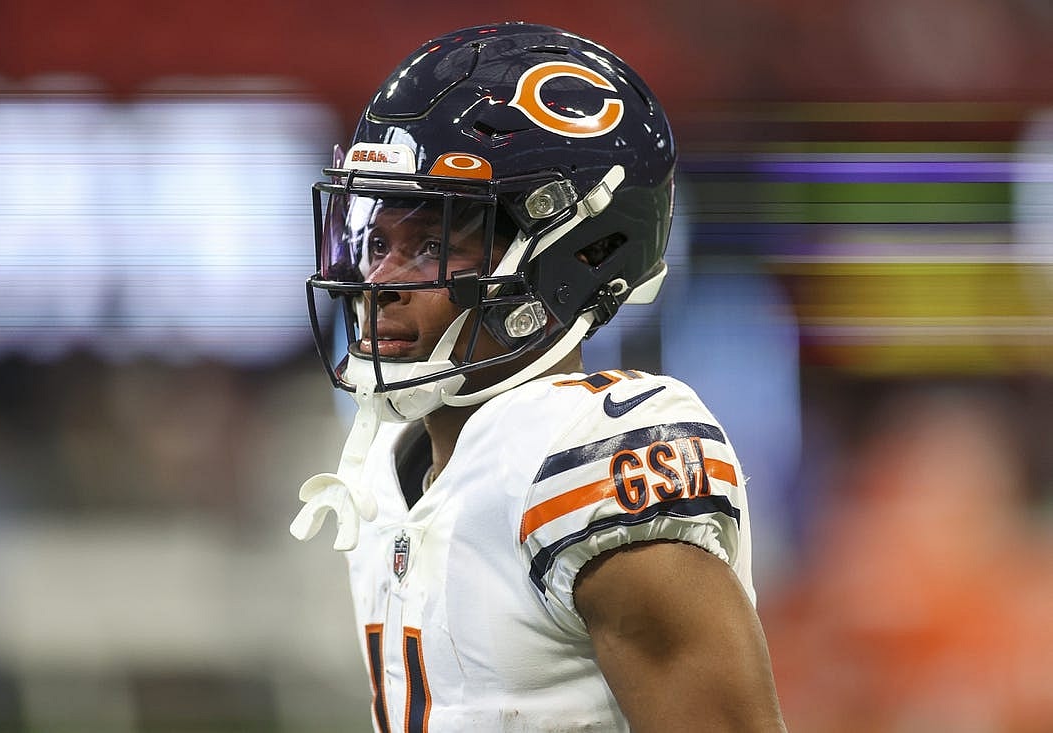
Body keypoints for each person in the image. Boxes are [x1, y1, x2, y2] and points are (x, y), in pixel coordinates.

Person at [291, 21, 786, 732]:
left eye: (432, 243)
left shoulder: (588, 463)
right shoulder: (382, 474)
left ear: (572, 253)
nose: (379, 279)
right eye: (375, 239)